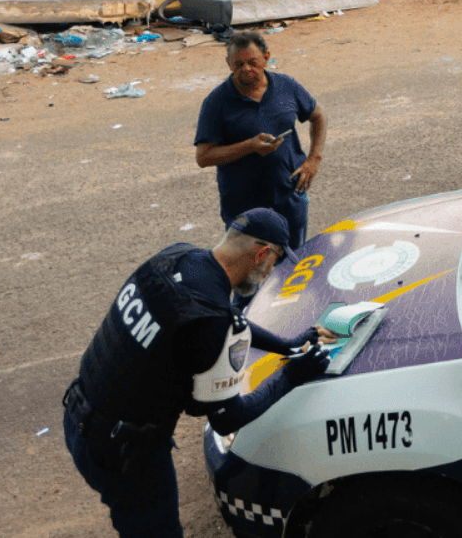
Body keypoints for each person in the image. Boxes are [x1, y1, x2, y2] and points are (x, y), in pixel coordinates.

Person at [62, 208, 336, 538]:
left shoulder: (177, 257)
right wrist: (292, 374)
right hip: (127, 455)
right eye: (275, 263)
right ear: (262, 254)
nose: (270, 272)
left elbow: (223, 321)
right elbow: (227, 417)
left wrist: (289, 345)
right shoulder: (211, 321)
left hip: (80, 418)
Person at [195, 31, 326, 250]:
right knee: (250, 278)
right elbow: (204, 156)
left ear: (266, 57)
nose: (246, 69)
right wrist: (249, 146)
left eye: (253, 62)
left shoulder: (286, 86)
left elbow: (319, 115)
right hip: (244, 210)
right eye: (238, 64)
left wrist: (314, 160)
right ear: (228, 63)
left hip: (290, 200)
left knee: (292, 271)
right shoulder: (216, 102)